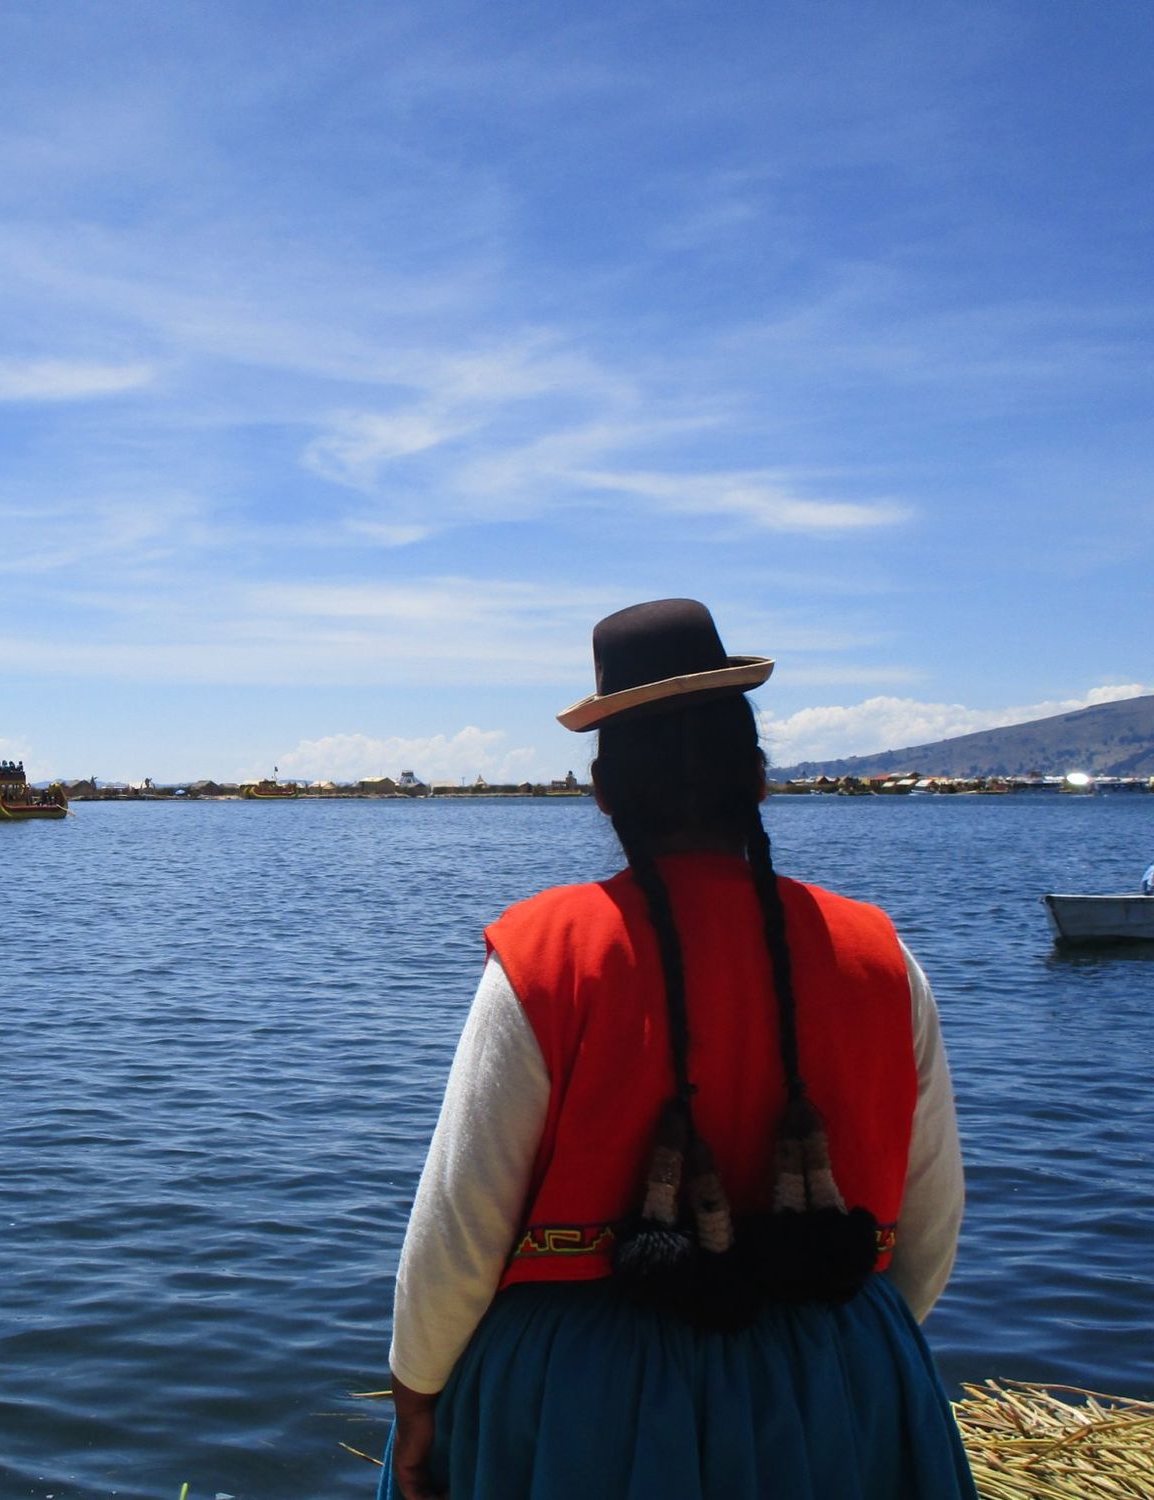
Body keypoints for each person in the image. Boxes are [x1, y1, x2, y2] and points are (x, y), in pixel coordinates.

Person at [380, 599, 971, 1500]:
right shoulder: (879, 957)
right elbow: (927, 1230)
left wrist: (417, 1394)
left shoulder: (549, 954)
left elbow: (460, 1228)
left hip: (584, 1402)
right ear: (760, 780)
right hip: (836, 1375)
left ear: (605, 792)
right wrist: (841, 1352)